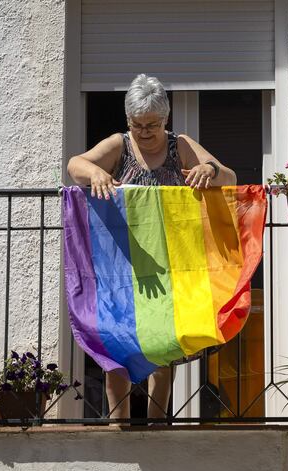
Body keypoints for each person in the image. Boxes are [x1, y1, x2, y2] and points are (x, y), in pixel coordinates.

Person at [67, 74, 236, 420]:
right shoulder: (119, 145)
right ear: (128, 121)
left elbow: (229, 178)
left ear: (166, 119)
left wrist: (209, 168)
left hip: (169, 267)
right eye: (138, 124)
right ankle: (120, 427)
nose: (145, 132)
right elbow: (74, 166)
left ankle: (158, 427)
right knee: (117, 346)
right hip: (122, 267)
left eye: (153, 124)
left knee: (162, 349)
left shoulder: (180, 145)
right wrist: (94, 173)